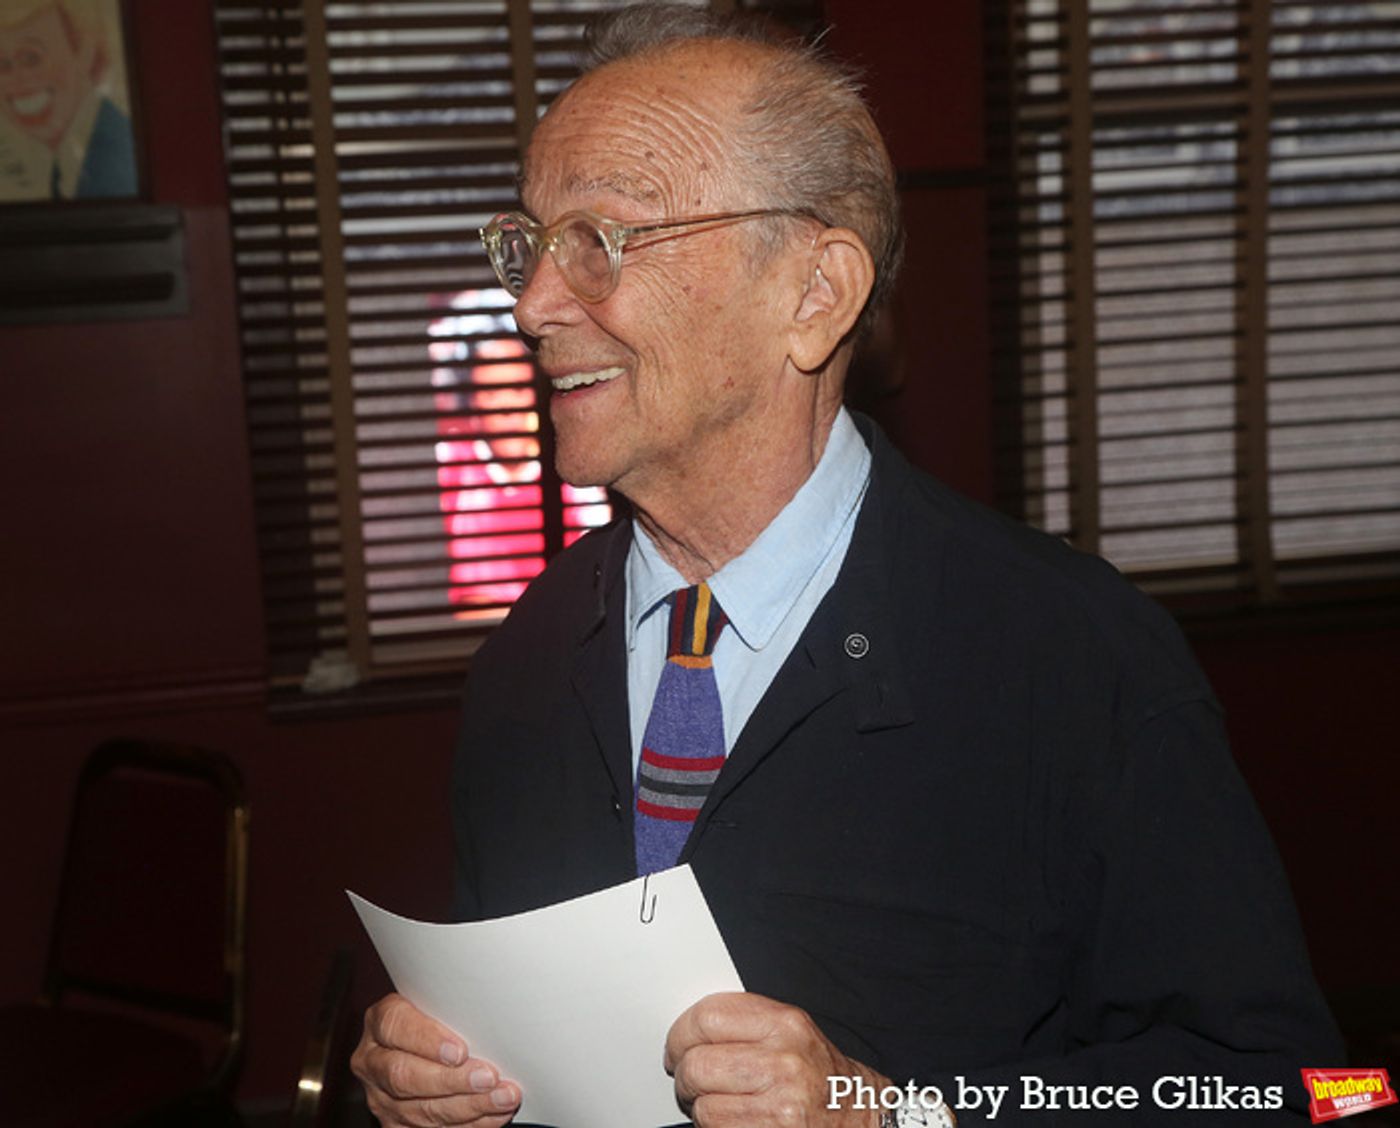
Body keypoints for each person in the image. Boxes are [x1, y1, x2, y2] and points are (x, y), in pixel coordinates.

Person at [352, 6, 1341, 1125]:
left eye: (600, 240)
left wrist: (901, 1114)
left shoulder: (1068, 656)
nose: (530, 305)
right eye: (529, 245)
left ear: (814, 294)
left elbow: (1298, 1091)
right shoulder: (526, 660)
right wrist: (435, 1084)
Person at [0, 0, 137, 199]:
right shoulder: (72, 160)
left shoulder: (114, 157)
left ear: (85, 53)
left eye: (31, 58)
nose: (17, 79)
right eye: (2, 65)